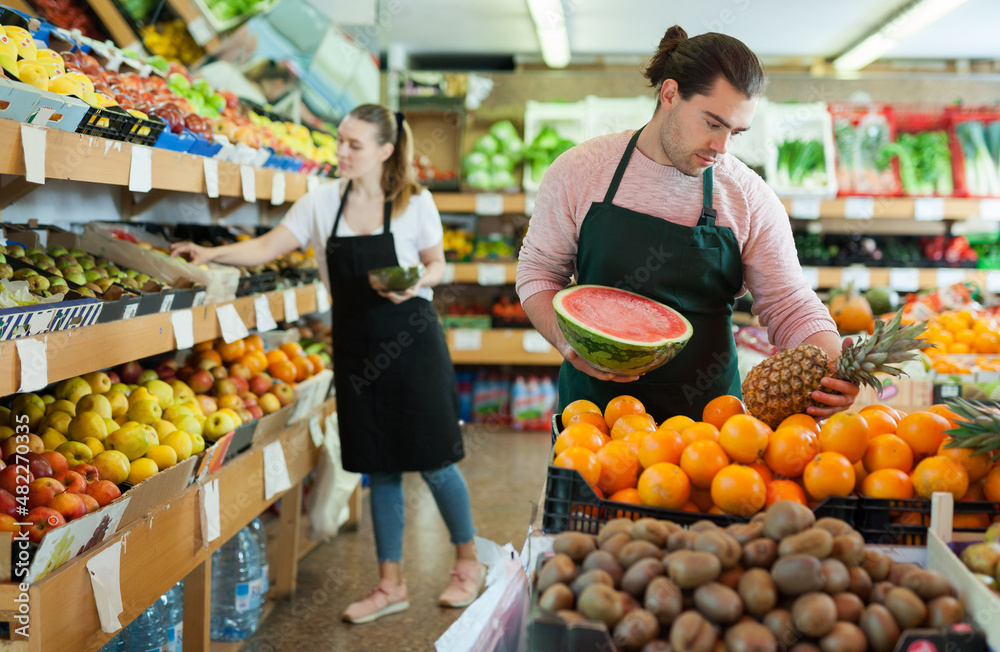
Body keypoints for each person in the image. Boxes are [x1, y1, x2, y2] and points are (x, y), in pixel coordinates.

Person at [170, 104, 485, 624]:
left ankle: (467, 564)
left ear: (385, 151)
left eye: (354, 145)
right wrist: (210, 255)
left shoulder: (414, 203)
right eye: (339, 141)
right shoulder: (321, 204)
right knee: (377, 466)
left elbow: (437, 263)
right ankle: (390, 584)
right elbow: (271, 245)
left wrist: (415, 282)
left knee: (435, 460)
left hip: (413, 345)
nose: (341, 152)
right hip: (357, 350)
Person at [516, 26, 859, 421]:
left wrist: (835, 369)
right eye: (713, 123)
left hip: (710, 427)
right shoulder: (580, 171)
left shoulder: (748, 196)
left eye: (735, 132)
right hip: (593, 419)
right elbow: (538, 271)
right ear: (670, 95)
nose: (723, 147)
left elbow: (789, 303)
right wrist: (567, 341)